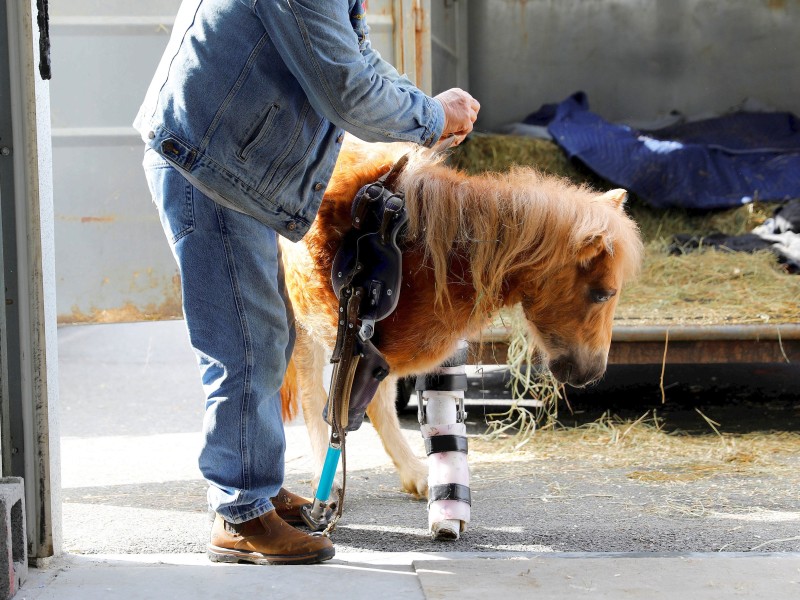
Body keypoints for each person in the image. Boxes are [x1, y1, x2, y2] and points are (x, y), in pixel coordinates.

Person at [133, 0, 479, 565]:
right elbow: (346, 89)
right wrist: (431, 117)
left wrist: (424, 111)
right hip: (212, 164)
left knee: (266, 340)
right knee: (244, 348)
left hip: (230, 162)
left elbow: (357, 60)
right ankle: (240, 512)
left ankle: (256, 487)